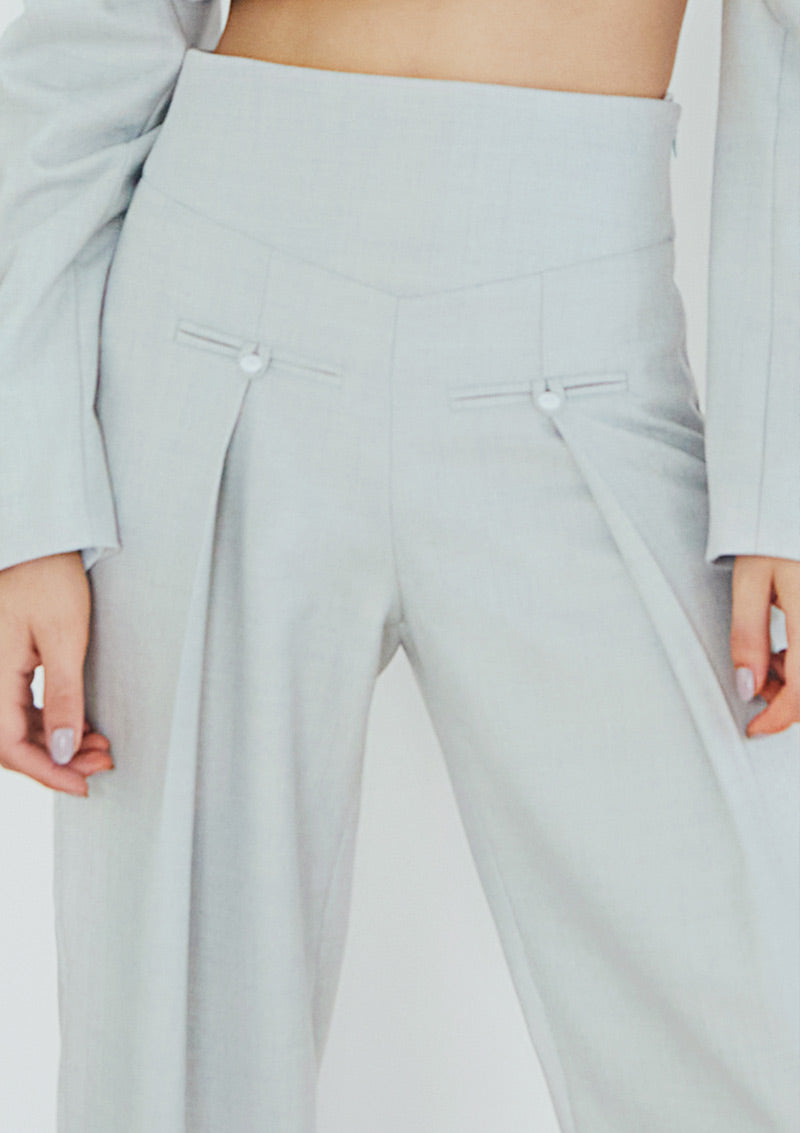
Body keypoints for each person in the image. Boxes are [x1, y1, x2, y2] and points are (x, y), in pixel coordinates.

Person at [0, 0, 798, 1129]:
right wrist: (31, 492)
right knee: (166, 1064)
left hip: (588, 325)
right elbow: (87, 33)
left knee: (752, 1027)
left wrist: (783, 481)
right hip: (216, 300)